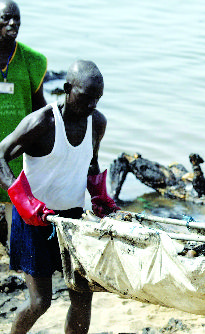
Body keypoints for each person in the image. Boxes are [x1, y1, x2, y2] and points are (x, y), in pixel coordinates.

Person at [0, 60, 119, 334]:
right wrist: (22, 198)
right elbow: (1, 154)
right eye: (87, 97)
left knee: (82, 298)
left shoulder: (97, 123)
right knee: (40, 302)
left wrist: (99, 194)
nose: (92, 105)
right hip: (34, 221)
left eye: (97, 99)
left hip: (72, 221)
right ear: (67, 89)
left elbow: (90, 164)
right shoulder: (42, 122)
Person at [0, 0, 47, 246]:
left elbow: (41, 109)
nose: (13, 24)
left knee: (16, 209)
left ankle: (15, 264)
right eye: (6, 18)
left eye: (16, 19)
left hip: (17, 151)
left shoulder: (32, 60)